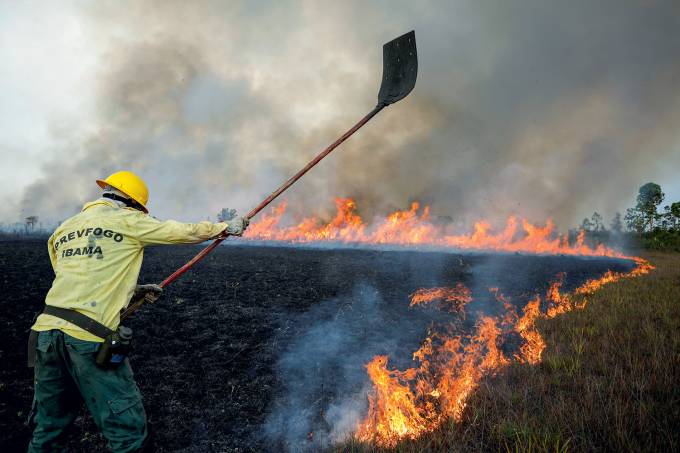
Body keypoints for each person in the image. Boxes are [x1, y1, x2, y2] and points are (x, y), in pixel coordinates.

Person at [27, 170, 249, 452]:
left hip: (45, 336)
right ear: (132, 203)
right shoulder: (128, 219)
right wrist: (224, 227)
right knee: (127, 431)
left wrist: (134, 291)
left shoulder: (63, 230)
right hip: (87, 339)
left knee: (49, 429)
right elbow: (181, 232)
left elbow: (78, 276)